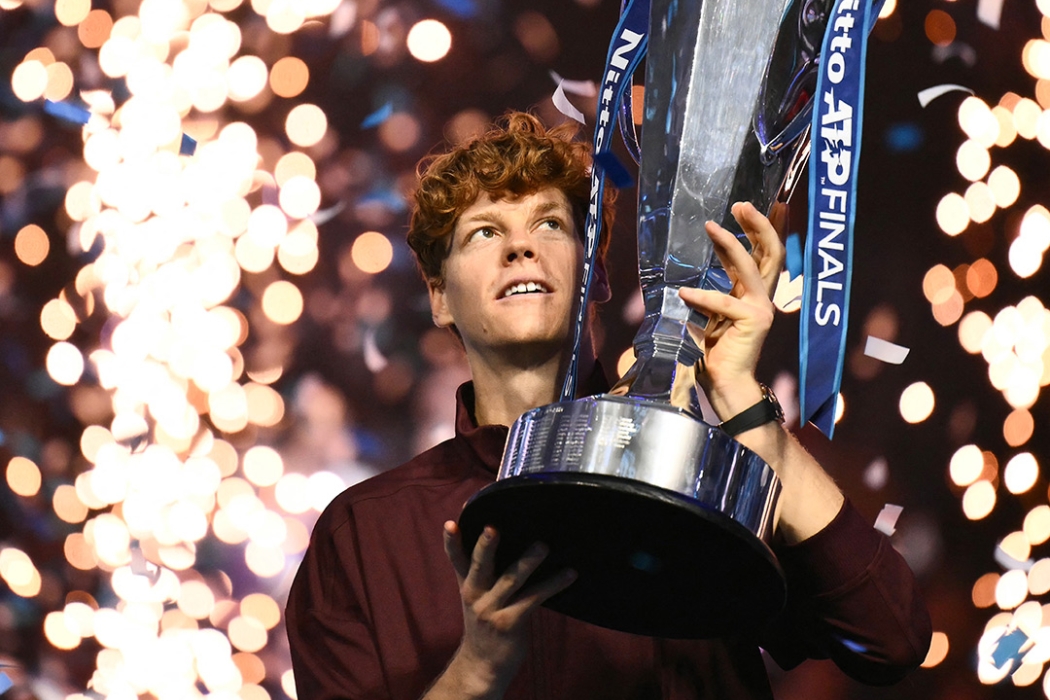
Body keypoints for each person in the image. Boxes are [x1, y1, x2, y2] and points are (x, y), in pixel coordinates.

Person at [285, 112, 932, 700]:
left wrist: (738, 397)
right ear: (440, 298)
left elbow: (890, 639)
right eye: (484, 232)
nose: (520, 246)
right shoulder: (363, 535)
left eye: (549, 223)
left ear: (596, 274)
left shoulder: (703, 475)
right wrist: (475, 670)